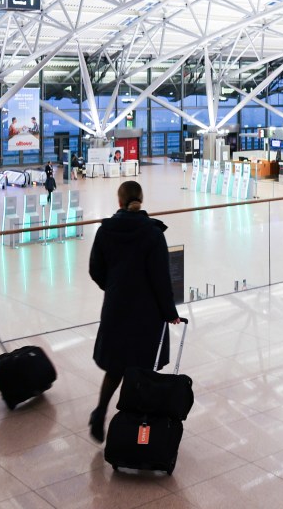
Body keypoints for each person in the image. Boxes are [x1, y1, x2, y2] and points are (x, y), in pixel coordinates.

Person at [88, 180, 181, 442]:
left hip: (117, 307)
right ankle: (137, 428)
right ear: (141, 199)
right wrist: (169, 311)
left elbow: (95, 269)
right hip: (147, 313)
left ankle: (101, 412)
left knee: (116, 366)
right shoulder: (153, 233)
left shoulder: (105, 231)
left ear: (119, 202)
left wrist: (114, 287)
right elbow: (162, 279)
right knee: (143, 370)